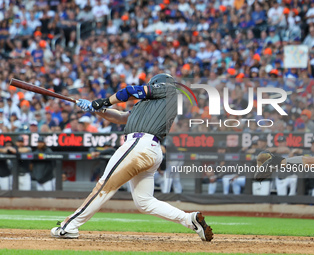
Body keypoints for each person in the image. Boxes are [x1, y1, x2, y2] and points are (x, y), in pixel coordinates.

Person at [51, 73, 213, 242]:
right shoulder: (148, 105)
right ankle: (189, 220)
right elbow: (121, 117)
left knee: (104, 186)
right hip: (148, 150)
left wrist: (104, 101)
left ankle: (69, 226)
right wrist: (96, 109)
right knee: (145, 202)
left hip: (139, 145)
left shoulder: (169, 90)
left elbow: (130, 91)